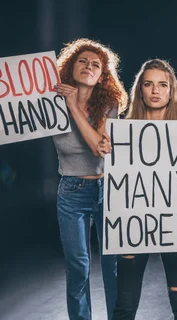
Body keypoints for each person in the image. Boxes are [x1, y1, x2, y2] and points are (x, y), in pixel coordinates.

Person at [105, 59, 177, 320]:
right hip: (133, 223)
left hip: (172, 223)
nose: (155, 90)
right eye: (148, 84)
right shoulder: (121, 131)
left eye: (162, 85)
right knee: (125, 304)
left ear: (171, 90)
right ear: (140, 89)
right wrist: (107, 149)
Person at [52, 38, 128, 320]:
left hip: (107, 188)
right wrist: (66, 103)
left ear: (102, 76)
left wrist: (73, 107)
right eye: (82, 61)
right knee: (78, 268)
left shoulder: (107, 104)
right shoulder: (50, 104)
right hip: (72, 191)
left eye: (96, 65)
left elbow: (100, 146)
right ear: (70, 67)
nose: (88, 66)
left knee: (114, 267)